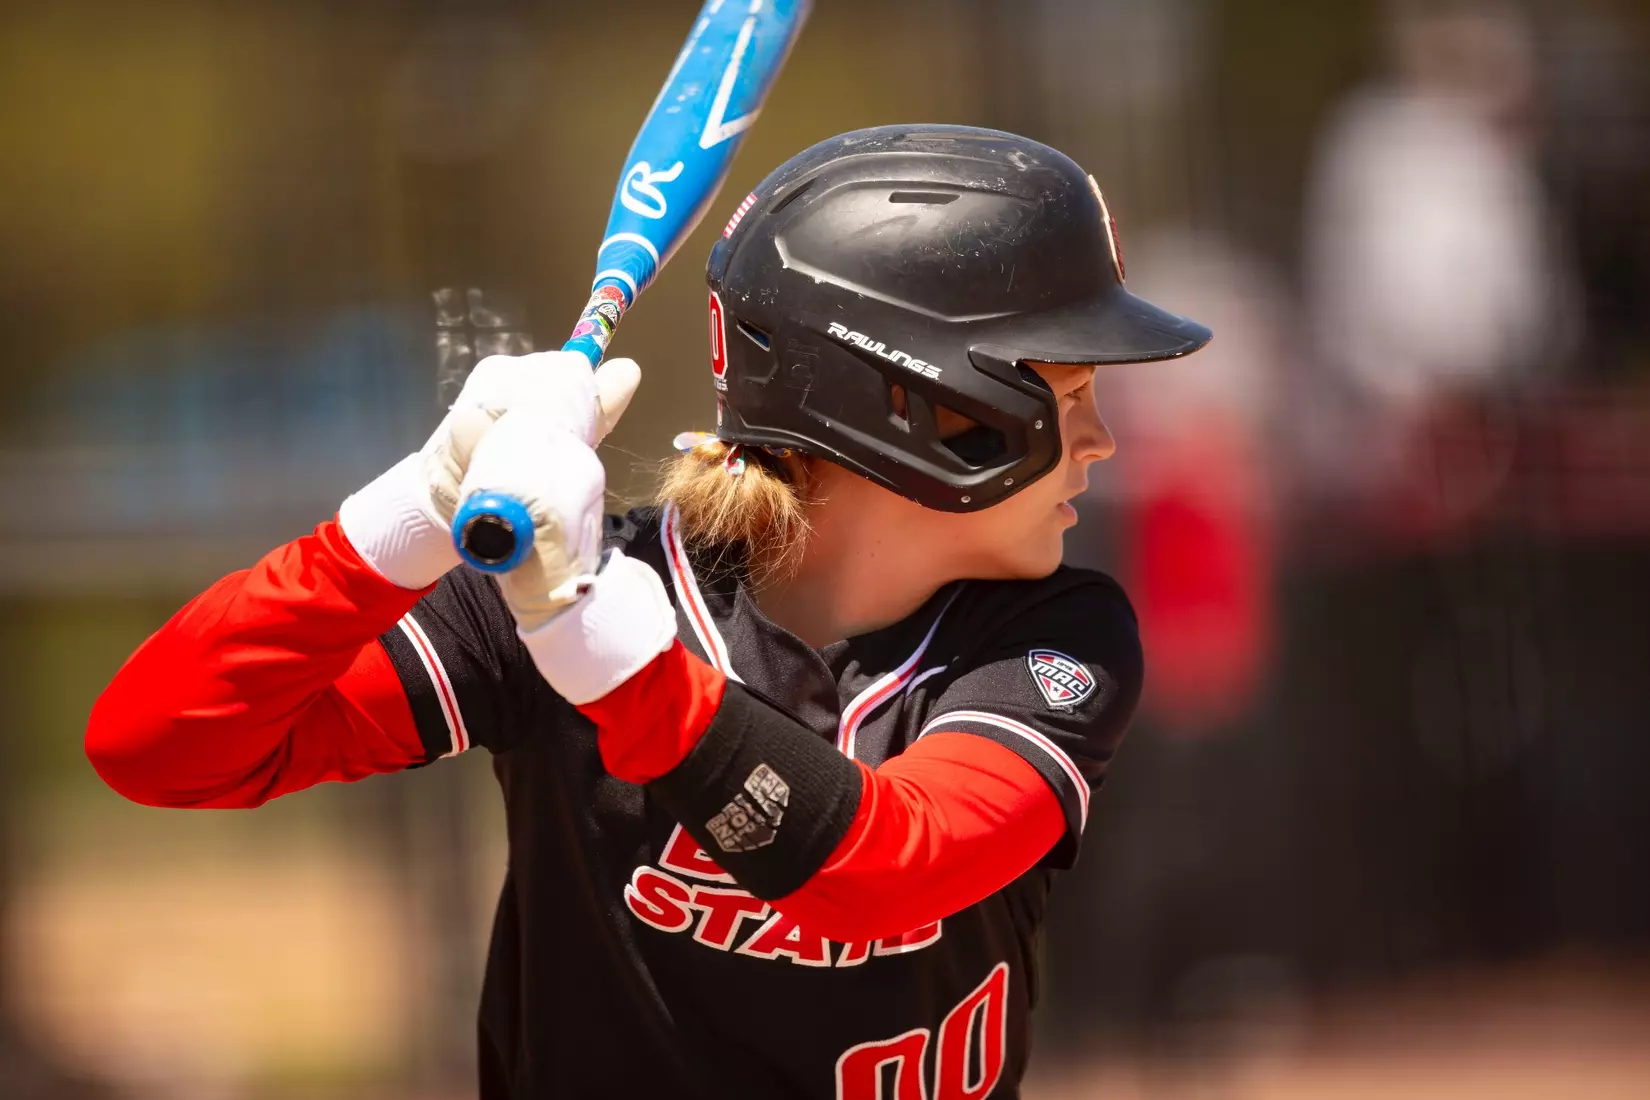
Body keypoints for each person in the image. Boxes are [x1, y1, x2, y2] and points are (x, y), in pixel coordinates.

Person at [85, 125, 1210, 1099]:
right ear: (928, 409)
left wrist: (616, 659)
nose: (1102, 442)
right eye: (1068, 398)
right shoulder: (563, 599)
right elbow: (161, 745)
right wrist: (407, 515)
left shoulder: (1050, 637)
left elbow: (889, 865)